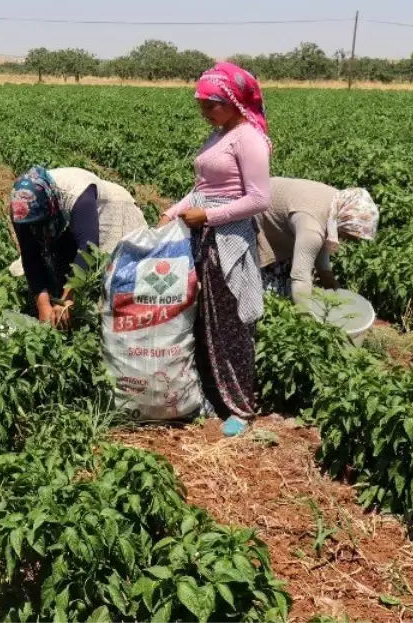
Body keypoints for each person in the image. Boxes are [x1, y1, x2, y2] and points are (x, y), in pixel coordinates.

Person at [160, 62, 271, 435]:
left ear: (235, 102)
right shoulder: (220, 134)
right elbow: (201, 187)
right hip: (204, 238)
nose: (205, 113)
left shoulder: (248, 138)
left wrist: (207, 215)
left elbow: (258, 199)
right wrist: (175, 211)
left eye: (212, 105)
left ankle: (240, 407)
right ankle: (210, 393)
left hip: (229, 241)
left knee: (231, 326)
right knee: (203, 318)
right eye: (202, 106)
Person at [9, 166, 147, 328]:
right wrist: (43, 305)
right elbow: (29, 254)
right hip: (64, 213)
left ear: (50, 206)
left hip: (110, 208)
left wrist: (67, 298)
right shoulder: (21, 209)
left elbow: (87, 248)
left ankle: (111, 322)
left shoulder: (78, 196)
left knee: (111, 273)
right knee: (60, 267)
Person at [257, 179, 379, 307]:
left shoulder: (339, 204)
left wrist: (325, 273)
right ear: (345, 220)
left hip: (273, 197)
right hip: (255, 212)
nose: (353, 240)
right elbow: (300, 276)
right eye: (352, 235)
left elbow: (322, 236)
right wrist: (305, 319)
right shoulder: (311, 225)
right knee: (268, 296)